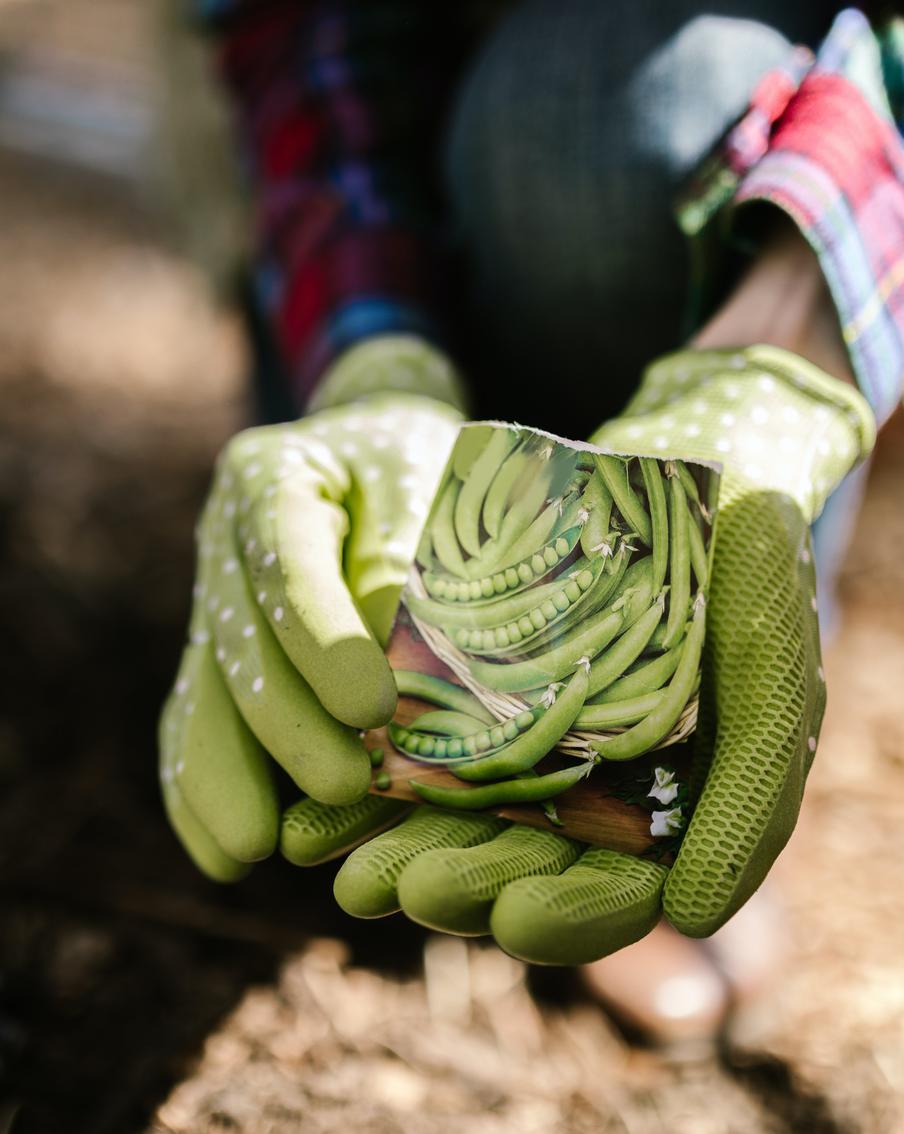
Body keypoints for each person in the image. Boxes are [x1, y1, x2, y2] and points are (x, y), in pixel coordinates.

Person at [159, 2, 903, 1044]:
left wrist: (785, 342)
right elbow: (298, 34)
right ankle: (457, 698)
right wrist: (377, 366)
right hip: (393, 202)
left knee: (611, 105)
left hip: (742, 147)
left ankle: (663, 724)